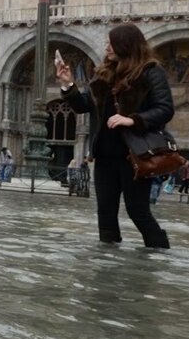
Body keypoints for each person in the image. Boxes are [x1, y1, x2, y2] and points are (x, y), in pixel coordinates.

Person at [57, 23, 172, 248]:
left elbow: (165, 108)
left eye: (111, 42)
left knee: (137, 210)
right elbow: (84, 106)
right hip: (105, 154)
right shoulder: (104, 74)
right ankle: (108, 263)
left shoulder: (150, 71)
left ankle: (159, 255)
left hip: (136, 154)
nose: (106, 46)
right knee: (106, 213)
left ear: (125, 45)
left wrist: (133, 119)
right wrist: (68, 84)